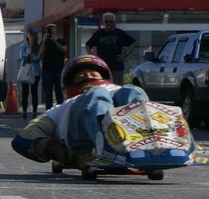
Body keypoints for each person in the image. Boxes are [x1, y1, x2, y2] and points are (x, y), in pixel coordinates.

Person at [11, 55, 148, 169]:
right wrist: (60, 152)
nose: (88, 75)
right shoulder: (62, 107)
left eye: (93, 73)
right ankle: (106, 147)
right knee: (96, 94)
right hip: (84, 143)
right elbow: (23, 138)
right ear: (70, 83)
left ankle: (148, 142)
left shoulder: (120, 91)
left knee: (133, 91)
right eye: (81, 75)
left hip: (130, 135)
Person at [85, 12, 137, 84]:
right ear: (103, 22)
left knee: (117, 88)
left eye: (110, 21)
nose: (108, 23)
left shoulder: (120, 33)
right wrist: (93, 57)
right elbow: (87, 45)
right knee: (103, 87)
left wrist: (125, 55)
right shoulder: (99, 33)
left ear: (114, 22)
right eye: (106, 21)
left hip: (117, 66)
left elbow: (133, 43)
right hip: (102, 67)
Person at [40, 23, 68, 110]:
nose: (51, 30)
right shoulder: (45, 42)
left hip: (58, 69)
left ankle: (60, 109)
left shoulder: (61, 41)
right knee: (48, 92)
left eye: (52, 28)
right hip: (47, 70)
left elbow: (64, 49)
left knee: (59, 91)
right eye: (49, 29)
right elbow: (41, 53)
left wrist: (54, 41)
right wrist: (44, 41)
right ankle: (49, 110)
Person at [18, 27, 42, 120]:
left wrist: (32, 57)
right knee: (25, 92)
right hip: (25, 70)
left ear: (36, 36)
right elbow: (22, 55)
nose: (31, 36)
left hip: (35, 71)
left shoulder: (38, 46)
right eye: (30, 35)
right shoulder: (24, 45)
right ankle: (24, 112)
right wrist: (29, 55)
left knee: (34, 91)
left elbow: (38, 58)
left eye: (33, 35)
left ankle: (34, 112)